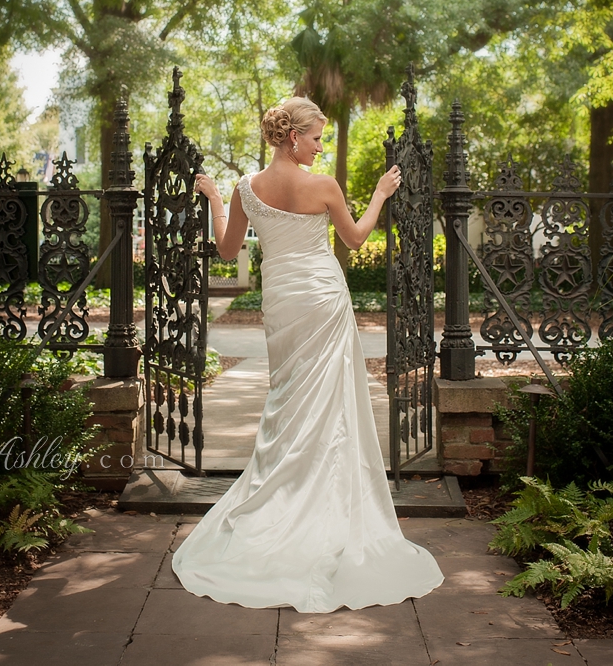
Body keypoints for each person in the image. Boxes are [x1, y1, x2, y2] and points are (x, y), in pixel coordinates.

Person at [170, 96, 443, 613]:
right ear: (292, 136)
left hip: (282, 298)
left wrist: (212, 197)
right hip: (321, 296)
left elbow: (228, 252)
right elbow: (357, 239)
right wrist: (381, 193)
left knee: (288, 397)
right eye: (317, 137)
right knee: (330, 400)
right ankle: (323, 504)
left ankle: (281, 498)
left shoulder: (246, 187)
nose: (321, 146)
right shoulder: (322, 186)